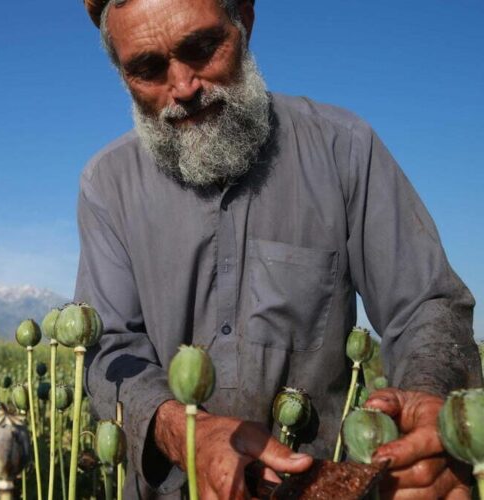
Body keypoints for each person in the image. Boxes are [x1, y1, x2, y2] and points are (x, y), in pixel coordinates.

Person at [74, 0, 481, 498]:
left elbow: (425, 305)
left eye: (202, 48)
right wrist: (184, 434)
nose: (182, 87)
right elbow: (108, 348)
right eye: (148, 69)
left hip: (324, 482)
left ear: (243, 20)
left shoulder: (343, 148)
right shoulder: (108, 184)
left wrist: (427, 401)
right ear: (123, 74)